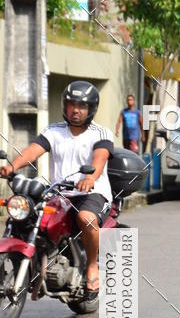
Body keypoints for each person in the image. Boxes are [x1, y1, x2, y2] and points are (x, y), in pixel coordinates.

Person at [0, 81, 113, 300]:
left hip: (91, 193)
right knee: (25, 214)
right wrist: (12, 166)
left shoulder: (101, 132)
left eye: (81, 106)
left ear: (91, 109)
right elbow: (33, 151)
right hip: (59, 193)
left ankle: (91, 266)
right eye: (71, 104)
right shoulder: (53, 130)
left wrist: (90, 177)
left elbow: (100, 158)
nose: (75, 110)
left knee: (86, 218)